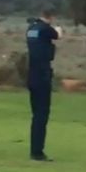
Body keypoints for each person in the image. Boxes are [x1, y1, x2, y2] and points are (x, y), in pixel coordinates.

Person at [26, 9, 62, 161]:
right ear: (51, 17)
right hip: (42, 76)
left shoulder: (31, 29)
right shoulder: (45, 29)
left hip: (32, 75)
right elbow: (57, 35)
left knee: (36, 115)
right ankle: (37, 152)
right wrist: (58, 29)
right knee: (42, 114)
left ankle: (35, 149)